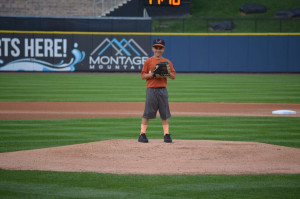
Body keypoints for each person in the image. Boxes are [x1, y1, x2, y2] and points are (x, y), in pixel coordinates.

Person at [138, 38, 176, 143]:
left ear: (163, 49)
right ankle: (142, 134)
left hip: (163, 89)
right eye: (156, 47)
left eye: (160, 48)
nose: (158, 50)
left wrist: (166, 73)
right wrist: (153, 74)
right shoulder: (148, 61)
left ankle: (166, 134)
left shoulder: (167, 62)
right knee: (147, 112)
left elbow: (173, 76)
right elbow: (142, 76)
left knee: (164, 113)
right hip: (151, 89)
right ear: (152, 48)